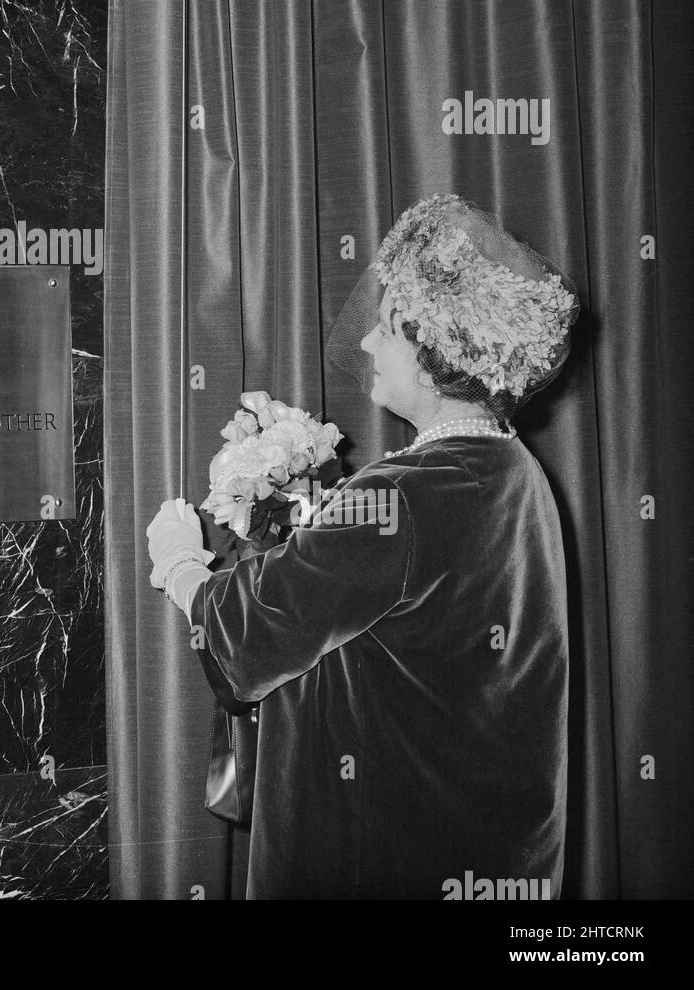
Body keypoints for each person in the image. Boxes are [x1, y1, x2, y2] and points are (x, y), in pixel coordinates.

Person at [146, 194, 580, 899]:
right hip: (481, 846)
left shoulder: (408, 490)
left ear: (442, 350)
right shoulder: (511, 467)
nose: (368, 344)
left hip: (381, 851)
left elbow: (242, 632)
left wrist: (178, 561)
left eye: (386, 329)